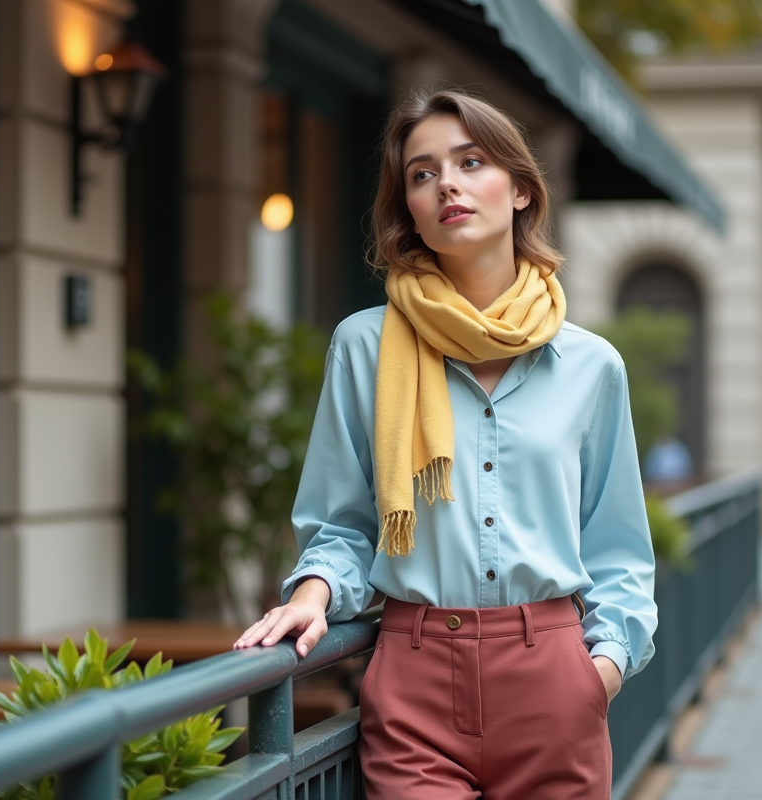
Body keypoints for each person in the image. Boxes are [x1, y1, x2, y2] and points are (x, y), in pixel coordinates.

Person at [234, 88, 657, 800]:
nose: (447, 184)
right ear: (410, 208)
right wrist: (313, 590)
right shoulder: (364, 347)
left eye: (470, 162)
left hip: (553, 677)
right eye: (423, 173)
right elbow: (344, 523)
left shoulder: (591, 366)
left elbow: (618, 549)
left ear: (521, 189)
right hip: (415, 674)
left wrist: (601, 670)